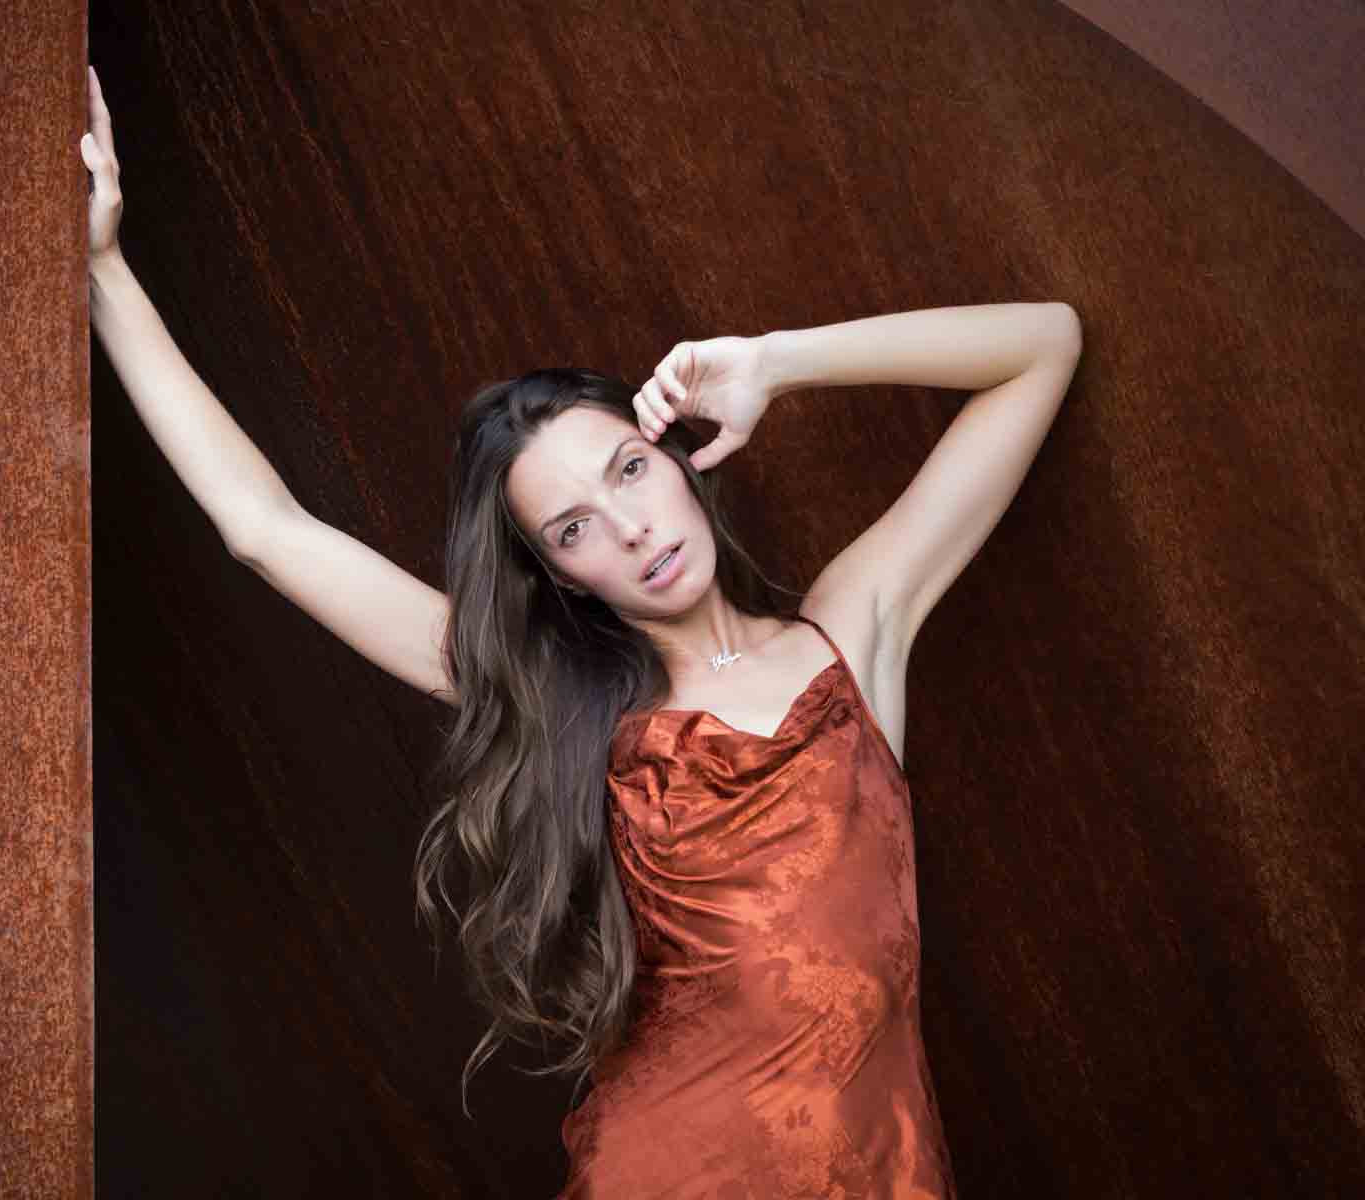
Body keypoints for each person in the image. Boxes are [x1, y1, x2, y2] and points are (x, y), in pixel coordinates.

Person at [82, 63, 1081, 1199]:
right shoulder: (570, 704)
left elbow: (1042, 347)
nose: (630, 527)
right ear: (556, 574)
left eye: (630, 471)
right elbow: (265, 528)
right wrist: (105, 269)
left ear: (676, 454)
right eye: (574, 527)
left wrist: (776, 362)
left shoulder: (855, 632)